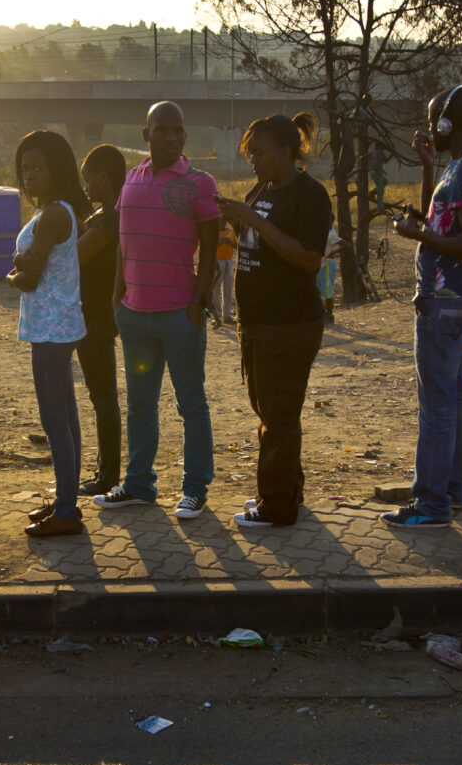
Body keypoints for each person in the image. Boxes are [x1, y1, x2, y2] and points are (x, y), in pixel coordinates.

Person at [97, 101, 221, 518]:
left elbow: (209, 251)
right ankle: (138, 486)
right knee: (141, 405)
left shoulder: (200, 183)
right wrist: (117, 300)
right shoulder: (130, 180)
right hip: (135, 317)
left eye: (178, 130)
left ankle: (195, 488)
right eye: (162, 129)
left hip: (178, 318)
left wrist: (197, 304)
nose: (171, 137)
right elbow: (122, 244)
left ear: (185, 136)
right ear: (145, 134)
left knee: (191, 404)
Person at [383, 83, 462, 528]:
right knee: (454, 396)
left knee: (438, 404)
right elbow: (439, 218)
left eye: (435, 122)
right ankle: (453, 489)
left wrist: (416, 236)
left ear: (449, 122)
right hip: (452, 300)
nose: (432, 129)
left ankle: (431, 504)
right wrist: (429, 168)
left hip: (442, 300)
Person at [218, 111, 335, 531]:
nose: (253, 161)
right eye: (250, 154)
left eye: (260, 153)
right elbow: (256, 238)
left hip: (289, 323)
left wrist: (253, 220)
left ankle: (277, 508)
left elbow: (307, 259)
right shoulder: (263, 188)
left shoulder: (309, 195)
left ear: (287, 152)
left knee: (279, 416)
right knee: (268, 409)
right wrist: (235, 214)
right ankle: (284, 491)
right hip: (257, 322)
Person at [7, 130, 90, 538]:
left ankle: (67, 512)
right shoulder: (55, 212)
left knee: (55, 420)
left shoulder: (55, 213)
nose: (29, 176)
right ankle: (65, 501)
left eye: (37, 168)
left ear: (55, 170)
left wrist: (13, 270)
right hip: (58, 325)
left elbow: (28, 275)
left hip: (52, 329)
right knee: (67, 417)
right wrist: (22, 263)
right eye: (24, 169)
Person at [74, 144, 127, 494]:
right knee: (102, 395)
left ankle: (108, 475)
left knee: (103, 396)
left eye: (88, 179)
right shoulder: (105, 214)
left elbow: (73, 257)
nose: (86, 186)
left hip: (96, 314)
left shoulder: (110, 218)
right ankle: (106, 472)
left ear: (103, 178)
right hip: (93, 313)